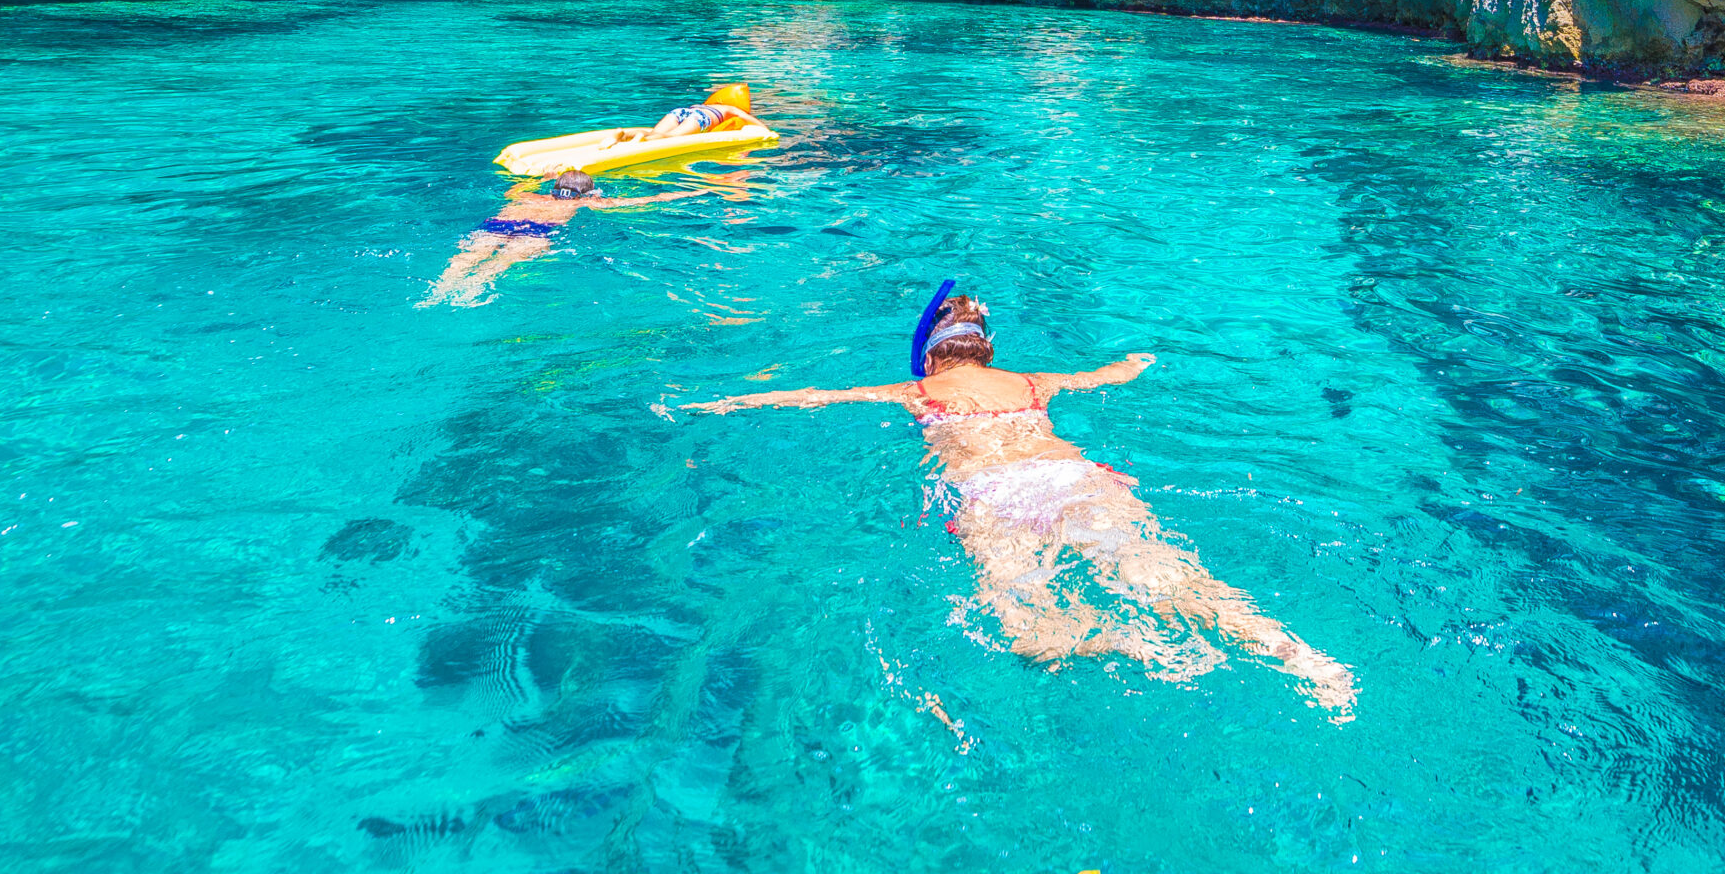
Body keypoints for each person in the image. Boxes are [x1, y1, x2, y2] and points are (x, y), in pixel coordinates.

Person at [685, 289, 1356, 718]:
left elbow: (814, 398)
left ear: (930, 358)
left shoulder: (915, 393)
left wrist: (725, 401)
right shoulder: (1034, 380)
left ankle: (1131, 643)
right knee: (1174, 578)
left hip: (993, 499)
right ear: (988, 346)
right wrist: (1138, 359)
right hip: (1070, 479)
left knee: (1027, 632)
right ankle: (1301, 656)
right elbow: (1104, 376)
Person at [419, 169, 709, 307]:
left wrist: (544, 177)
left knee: (463, 260)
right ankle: (467, 294)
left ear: (554, 187)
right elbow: (646, 201)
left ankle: (438, 290)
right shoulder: (585, 203)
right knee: (499, 265)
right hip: (536, 231)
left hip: (497, 224)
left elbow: (514, 187)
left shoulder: (525, 195)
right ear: (589, 192)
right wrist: (696, 191)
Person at [602, 83, 759, 147]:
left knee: (656, 133)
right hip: (701, 118)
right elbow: (749, 120)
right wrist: (766, 131)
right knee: (672, 137)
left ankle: (624, 134)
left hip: (681, 111)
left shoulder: (708, 105)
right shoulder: (729, 109)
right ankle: (641, 140)